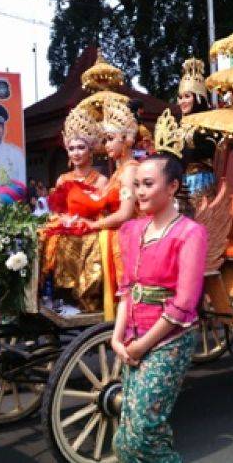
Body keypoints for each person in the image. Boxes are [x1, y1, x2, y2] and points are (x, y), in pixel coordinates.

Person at [111, 142, 207, 462]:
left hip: (170, 338)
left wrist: (142, 345)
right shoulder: (130, 230)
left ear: (173, 186)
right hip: (132, 336)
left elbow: (184, 304)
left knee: (144, 429)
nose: (140, 191)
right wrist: (116, 337)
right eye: (137, 184)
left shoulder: (190, 233)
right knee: (126, 435)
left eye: (148, 184)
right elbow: (127, 288)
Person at [40, 106, 109, 311]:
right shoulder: (63, 179)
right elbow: (57, 210)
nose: (76, 152)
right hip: (66, 226)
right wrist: (64, 219)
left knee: (87, 243)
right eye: (72, 148)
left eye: (81, 147)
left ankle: (85, 296)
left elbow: (103, 211)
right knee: (44, 237)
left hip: (91, 229)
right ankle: (53, 294)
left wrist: (85, 222)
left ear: (91, 150)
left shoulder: (101, 180)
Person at [82, 100, 139, 320]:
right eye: (105, 139)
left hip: (127, 231)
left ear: (126, 140)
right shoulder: (119, 172)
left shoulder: (129, 171)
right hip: (115, 227)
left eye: (110, 139)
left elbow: (125, 214)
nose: (106, 145)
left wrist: (94, 225)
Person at [177, 58, 216, 201]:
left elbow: (210, 149)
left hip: (200, 180)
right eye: (180, 97)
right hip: (180, 180)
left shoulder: (208, 123)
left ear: (199, 98)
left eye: (187, 96)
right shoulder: (177, 124)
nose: (182, 101)